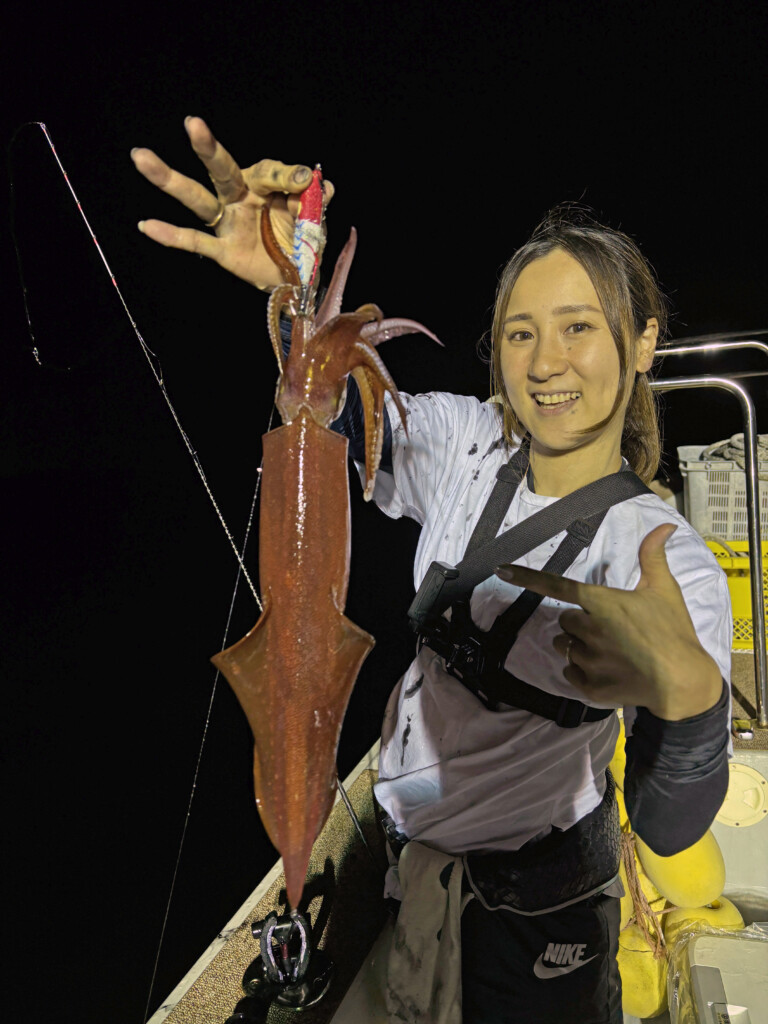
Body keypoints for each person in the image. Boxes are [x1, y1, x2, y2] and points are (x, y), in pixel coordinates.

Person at [132, 118, 732, 1024]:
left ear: (643, 342)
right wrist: (295, 291)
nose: (546, 362)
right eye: (520, 333)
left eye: (578, 327)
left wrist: (689, 703)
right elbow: (327, 412)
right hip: (410, 870)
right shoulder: (468, 442)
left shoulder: (663, 556)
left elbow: (671, 825)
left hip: (539, 920)